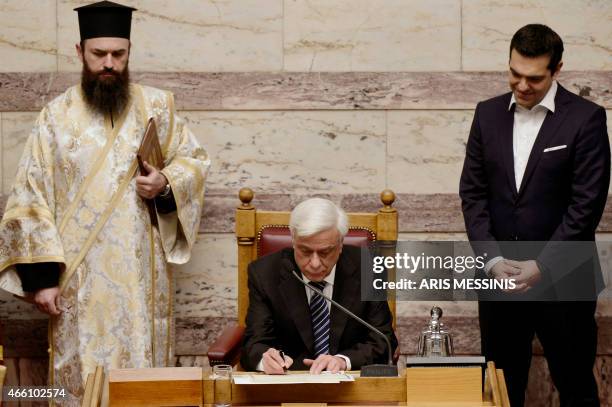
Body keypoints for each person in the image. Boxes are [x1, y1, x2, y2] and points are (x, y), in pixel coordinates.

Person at [0, 1, 210, 402]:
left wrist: (165, 183)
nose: (109, 64)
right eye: (99, 54)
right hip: (79, 282)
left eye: (119, 53)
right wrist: (41, 279)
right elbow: (30, 194)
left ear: (129, 50)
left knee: (142, 380)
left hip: (142, 278)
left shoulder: (158, 107)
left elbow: (194, 161)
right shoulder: (55, 116)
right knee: (79, 381)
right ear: (80, 52)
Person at [460, 24, 609, 406]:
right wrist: (492, 260)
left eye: (534, 78)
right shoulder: (486, 114)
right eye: (514, 73)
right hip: (499, 278)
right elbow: (473, 195)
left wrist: (542, 265)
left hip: (565, 280)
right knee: (500, 389)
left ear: (557, 69)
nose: (522, 85)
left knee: (575, 384)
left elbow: (586, 205)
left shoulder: (587, 118)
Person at [241, 198, 397, 374]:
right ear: (293, 240)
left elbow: (383, 340)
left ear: (340, 244)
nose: (314, 263)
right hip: (289, 383)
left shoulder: (368, 268)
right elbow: (254, 343)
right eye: (305, 251)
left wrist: (343, 360)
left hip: (349, 382)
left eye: (325, 252)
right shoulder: (264, 273)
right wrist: (265, 360)